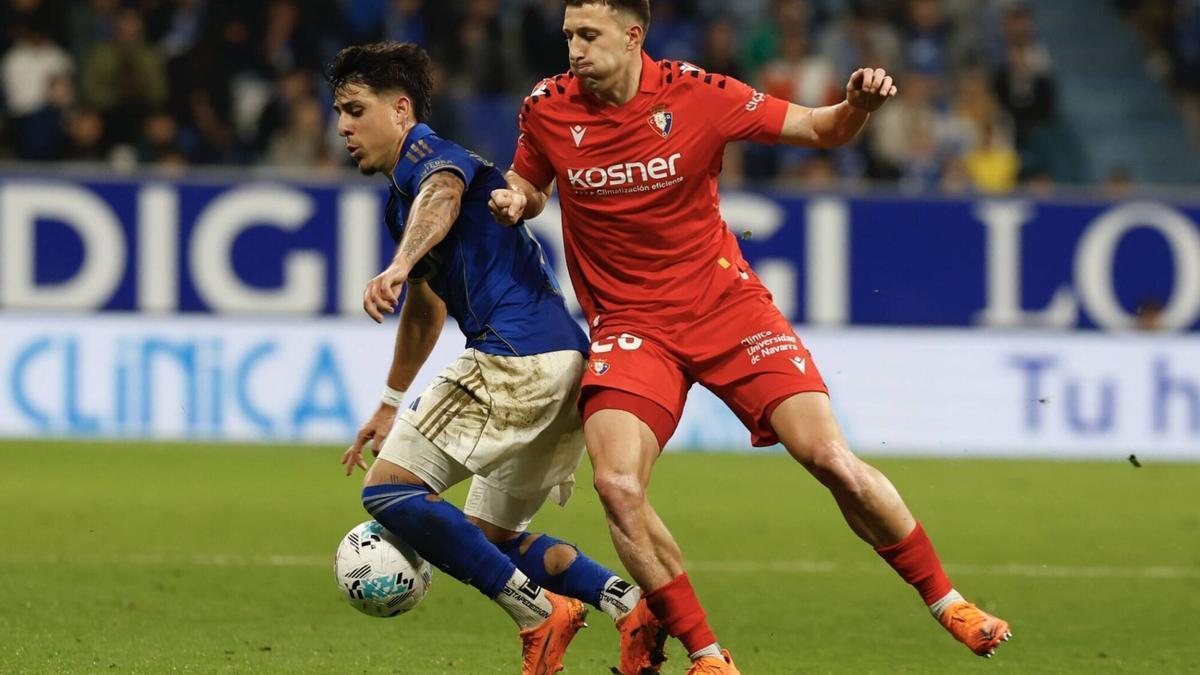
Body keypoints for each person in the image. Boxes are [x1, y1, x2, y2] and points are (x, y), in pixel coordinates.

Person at [488, 1, 1012, 672]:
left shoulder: (698, 93)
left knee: (831, 460)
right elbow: (528, 181)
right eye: (568, 36)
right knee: (618, 485)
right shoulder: (548, 106)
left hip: (727, 309)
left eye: (589, 35)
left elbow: (821, 131)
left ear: (633, 34)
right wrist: (515, 200)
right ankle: (707, 654)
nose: (575, 50)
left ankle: (948, 601)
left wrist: (856, 106)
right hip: (630, 326)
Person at [329, 42, 667, 675]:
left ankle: (539, 614)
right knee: (492, 538)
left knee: (390, 493)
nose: (343, 127)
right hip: (564, 365)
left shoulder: (431, 160)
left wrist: (399, 264)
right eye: (339, 113)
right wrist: (390, 403)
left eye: (354, 109)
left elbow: (443, 194)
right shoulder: (402, 201)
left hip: (514, 359)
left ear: (401, 111)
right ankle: (628, 605)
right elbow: (427, 309)